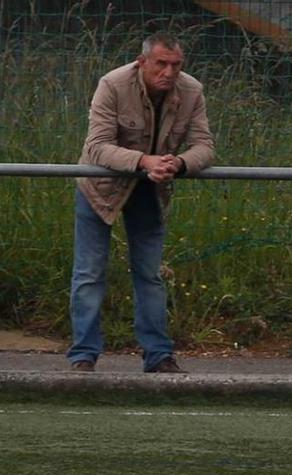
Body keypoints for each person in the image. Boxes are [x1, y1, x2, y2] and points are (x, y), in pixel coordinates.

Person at [68, 33, 215, 373]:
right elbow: (96, 146)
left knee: (150, 274)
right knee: (89, 272)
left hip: (151, 188)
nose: (169, 72)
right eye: (161, 64)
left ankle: (159, 355)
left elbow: (204, 145)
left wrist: (178, 164)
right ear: (142, 61)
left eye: (176, 65)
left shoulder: (192, 90)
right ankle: (83, 356)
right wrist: (144, 161)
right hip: (99, 187)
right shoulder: (112, 84)